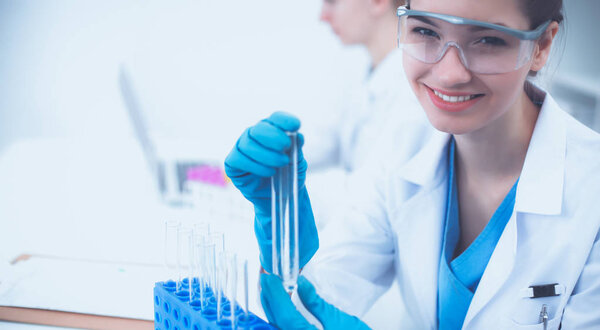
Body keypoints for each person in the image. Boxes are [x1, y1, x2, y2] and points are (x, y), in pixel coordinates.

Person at [225, 0, 600, 328]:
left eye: (487, 40)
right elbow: (317, 301)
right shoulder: (404, 143)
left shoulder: (591, 191)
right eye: (425, 31)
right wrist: (284, 244)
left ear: (542, 45)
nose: (450, 73)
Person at [305, 0, 422, 172]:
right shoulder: (363, 74)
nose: (323, 17)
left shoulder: (413, 91)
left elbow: (372, 193)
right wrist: (273, 150)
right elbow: (322, 142)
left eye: (332, 2)